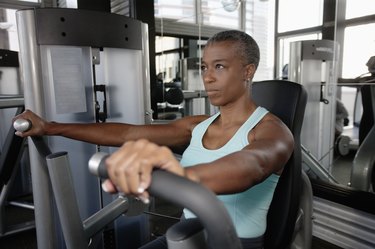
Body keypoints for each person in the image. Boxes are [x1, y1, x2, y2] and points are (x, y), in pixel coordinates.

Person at [14, 30, 294, 249]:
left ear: (248, 71)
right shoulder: (196, 126)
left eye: (219, 67)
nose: (207, 77)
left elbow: (251, 167)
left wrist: (176, 175)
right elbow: (126, 133)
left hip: (233, 244)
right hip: (186, 234)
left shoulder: (272, 130)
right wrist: (50, 127)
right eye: (204, 67)